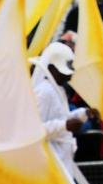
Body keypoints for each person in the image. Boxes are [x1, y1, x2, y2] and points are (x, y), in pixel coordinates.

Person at [29, 41, 91, 174]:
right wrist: (64, 126)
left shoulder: (58, 90)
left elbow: (62, 117)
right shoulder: (44, 92)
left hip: (61, 159)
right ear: (51, 68)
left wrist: (84, 114)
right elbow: (34, 130)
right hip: (50, 163)